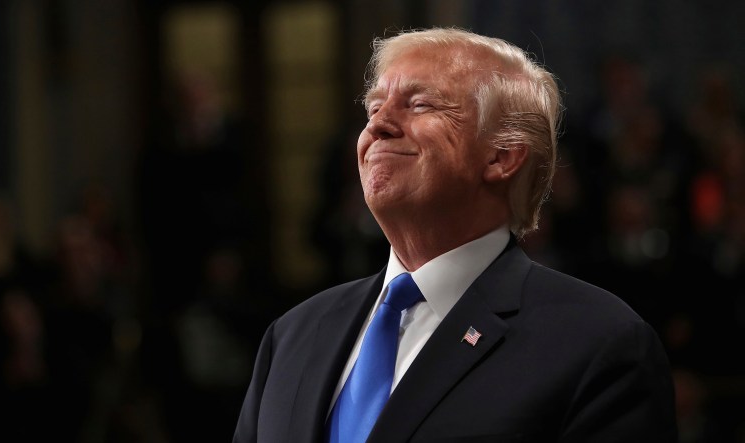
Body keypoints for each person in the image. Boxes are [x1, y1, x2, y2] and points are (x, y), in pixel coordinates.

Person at [233, 27, 678, 442]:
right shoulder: (293, 335)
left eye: (420, 104)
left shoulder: (599, 345)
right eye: (373, 107)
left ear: (502, 156)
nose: (377, 125)